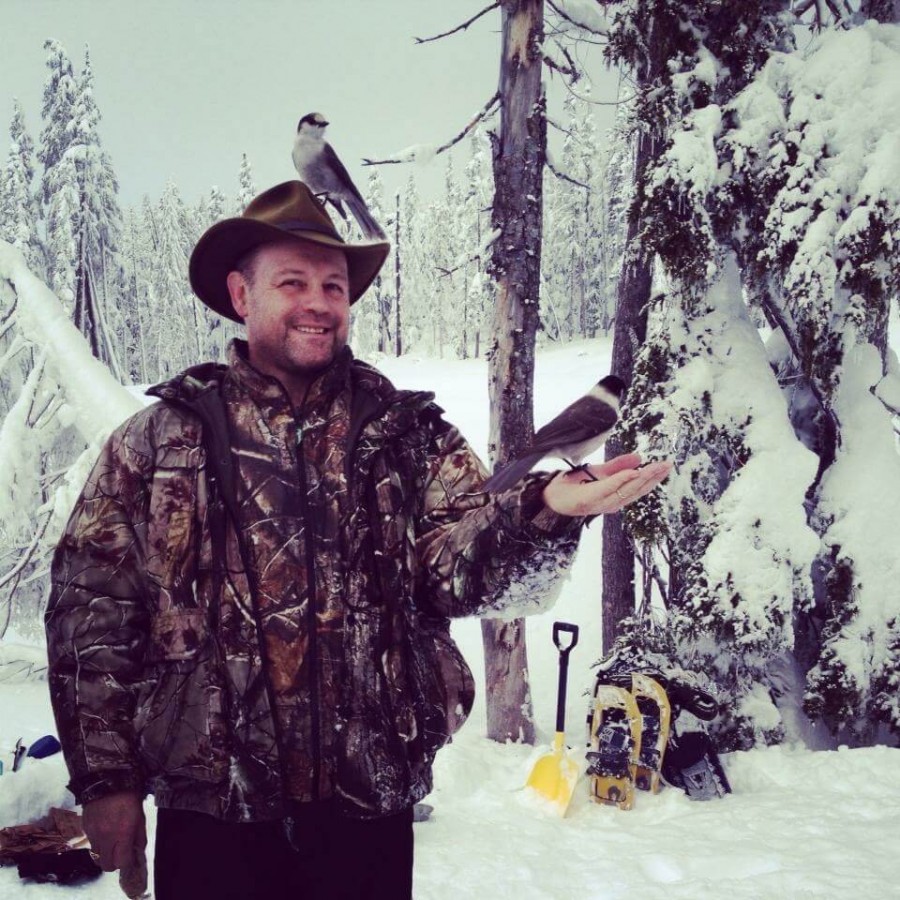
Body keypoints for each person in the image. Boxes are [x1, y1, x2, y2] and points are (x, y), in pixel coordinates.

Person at [45, 181, 671, 899]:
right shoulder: (158, 441)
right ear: (241, 296)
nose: (318, 302)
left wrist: (542, 511)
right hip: (211, 812)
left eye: (333, 286)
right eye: (293, 282)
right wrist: (106, 780)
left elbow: (460, 573)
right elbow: (90, 611)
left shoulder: (405, 434)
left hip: (366, 809)